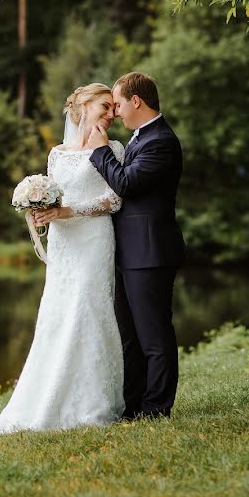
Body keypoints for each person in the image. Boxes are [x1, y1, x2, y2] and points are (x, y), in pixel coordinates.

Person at [0, 83, 126, 434]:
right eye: (105, 106)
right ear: (83, 107)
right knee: (57, 315)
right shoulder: (57, 153)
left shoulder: (113, 148)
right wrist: (38, 210)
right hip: (63, 244)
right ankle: (45, 398)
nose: (111, 114)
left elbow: (113, 201)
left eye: (113, 109)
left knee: (89, 311)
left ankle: (93, 403)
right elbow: (55, 196)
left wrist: (66, 210)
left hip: (94, 241)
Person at [86, 72, 185, 420]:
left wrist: (100, 153)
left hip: (151, 252)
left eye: (118, 104)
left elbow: (126, 184)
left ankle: (156, 409)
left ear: (136, 101)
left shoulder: (162, 141)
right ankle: (133, 408)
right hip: (130, 253)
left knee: (154, 336)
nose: (115, 112)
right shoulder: (140, 139)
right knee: (129, 337)